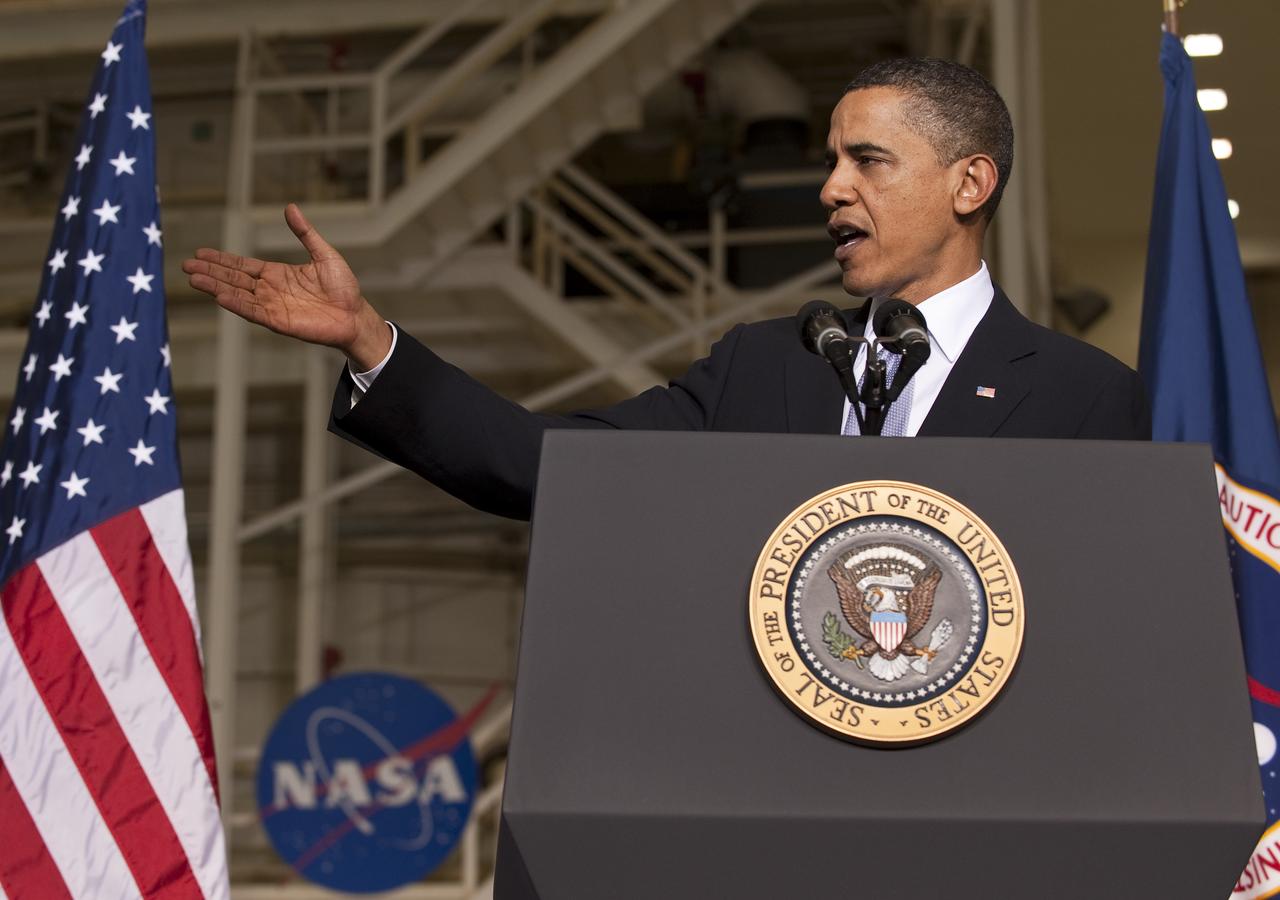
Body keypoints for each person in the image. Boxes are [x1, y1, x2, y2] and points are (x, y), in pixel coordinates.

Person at [183, 58, 1149, 521]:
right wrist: (370, 341)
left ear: (969, 184)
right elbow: (548, 464)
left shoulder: (1086, 396)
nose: (829, 188)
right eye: (829, 161)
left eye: (868, 161)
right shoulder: (765, 366)